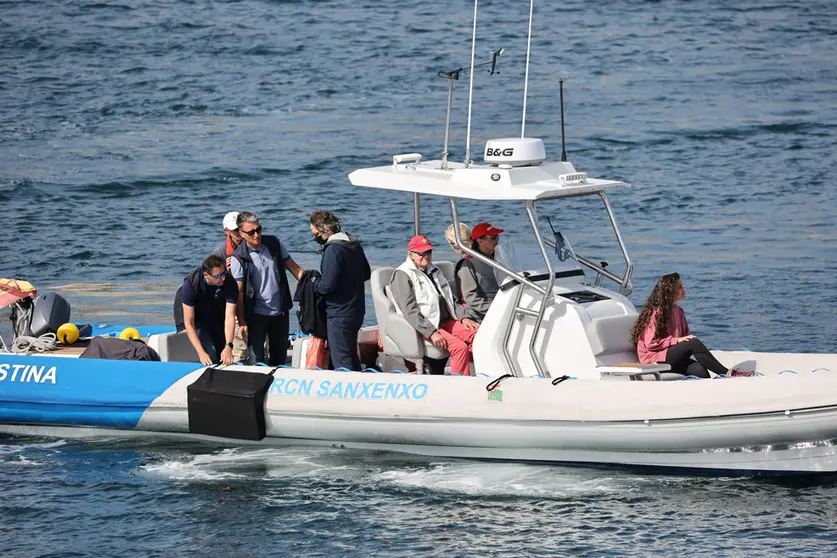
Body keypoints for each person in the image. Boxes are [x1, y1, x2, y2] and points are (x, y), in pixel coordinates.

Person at [389, 235, 479, 375]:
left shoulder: (435, 270)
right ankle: (460, 385)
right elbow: (410, 311)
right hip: (426, 326)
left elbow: (451, 299)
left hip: (445, 320)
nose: (426, 256)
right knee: (459, 347)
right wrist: (431, 333)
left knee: (478, 334)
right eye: (421, 253)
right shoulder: (402, 275)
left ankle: (483, 375)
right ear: (411, 254)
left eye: (429, 252)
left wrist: (463, 317)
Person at [231, 212, 304, 365]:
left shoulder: (274, 244)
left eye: (259, 230)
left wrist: (312, 284)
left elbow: (294, 268)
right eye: (251, 232)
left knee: (279, 357)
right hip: (256, 315)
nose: (256, 235)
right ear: (241, 234)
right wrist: (242, 321)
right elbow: (239, 293)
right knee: (255, 359)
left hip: (279, 312)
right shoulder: (239, 258)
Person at [631, 272, 735, 378]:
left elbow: (685, 337)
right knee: (692, 342)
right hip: (654, 359)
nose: (684, 289)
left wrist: (684, 344)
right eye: (680, 287)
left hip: (671, 356)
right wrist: (676, 341)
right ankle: (727, 373)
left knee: (700, 371)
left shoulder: (679, 311)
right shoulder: (657, 313)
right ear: (670, 291)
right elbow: (650, 343)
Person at [310, 210, 371, 371]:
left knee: (342, 358)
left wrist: (313, 285)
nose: (315, 237)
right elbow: (366, 273)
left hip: (339, 312)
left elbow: (327, 286)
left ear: (327, 230)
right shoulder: (353, 244)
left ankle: (350, 393)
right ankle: (359, 386)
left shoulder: (333, 250)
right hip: (357, 310)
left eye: (316, 233)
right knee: (350, 354)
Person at [178, 254, 238, 366]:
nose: (223, 278)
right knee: (211, 355)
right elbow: (189, 323)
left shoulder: (229, 282)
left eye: (223, 273)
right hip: (196, 317)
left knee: (223, 353)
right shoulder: (191, 284)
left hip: (216, 311)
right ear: (206, 275)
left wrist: (229, 345)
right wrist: (201, 353)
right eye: (218, 276)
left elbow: (230, 316)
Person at [451, 222, 504, 323]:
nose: (497, 240)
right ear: (480, 240)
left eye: (497, 236)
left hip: (502, 307)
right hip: (482, 316)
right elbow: (471, 298)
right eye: (493, 237)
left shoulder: (498, 259)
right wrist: (496, 311)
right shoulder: (467, 264)